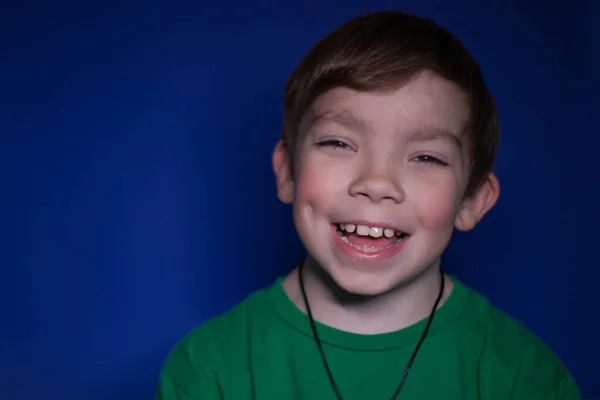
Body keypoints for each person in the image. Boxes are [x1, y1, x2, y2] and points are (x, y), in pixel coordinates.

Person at [155, 11, 581, 400]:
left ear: (471, 201)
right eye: (339, 143)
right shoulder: (207, 372)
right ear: (287, 172)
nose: (377, 184)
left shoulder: (527, 381)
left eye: (427, 157)